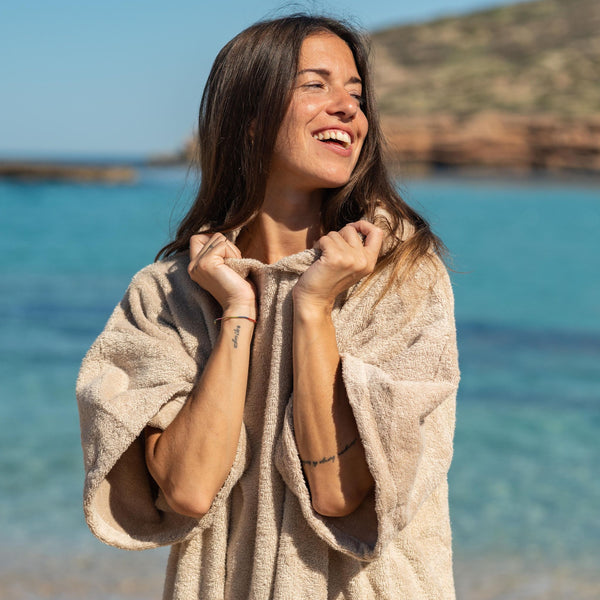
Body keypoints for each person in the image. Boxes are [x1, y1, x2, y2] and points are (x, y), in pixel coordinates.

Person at [76, 14, 460, 600]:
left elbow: (336, 494)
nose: (347, 108)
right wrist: (237, 310)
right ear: (250, 118)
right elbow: (186, 489)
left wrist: (311, 305)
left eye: (356, 95)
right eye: (316, 85)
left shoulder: (400, 279)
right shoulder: (168, 294)